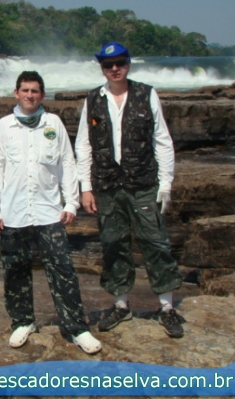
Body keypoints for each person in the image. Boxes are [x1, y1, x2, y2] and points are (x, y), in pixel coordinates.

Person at [0, 70, 102, 354]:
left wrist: (71, 202)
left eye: (34, 90)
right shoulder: (4, 126)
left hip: (50, 212)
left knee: (63, 270)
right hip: (12, 213)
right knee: (15, 270)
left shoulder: (53, 123)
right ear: (16, 93)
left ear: (42, 95)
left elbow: (67, 163)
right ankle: (23, 322)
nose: (29, 95)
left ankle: (76, 328)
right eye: (24, 90)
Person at [74, 42, 184, 338]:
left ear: (128, 64)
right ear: (102, 68)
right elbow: (83, 145)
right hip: (107, 186)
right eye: (108, 65)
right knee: (113, 244)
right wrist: (86, 188)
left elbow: (162, 141)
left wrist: (166, 184)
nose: (114, 69)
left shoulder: (146, 94)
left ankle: (167, 308)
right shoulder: (92, 99)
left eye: (120, 63)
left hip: (143, 184)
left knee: (156, 243)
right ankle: (121, 305)